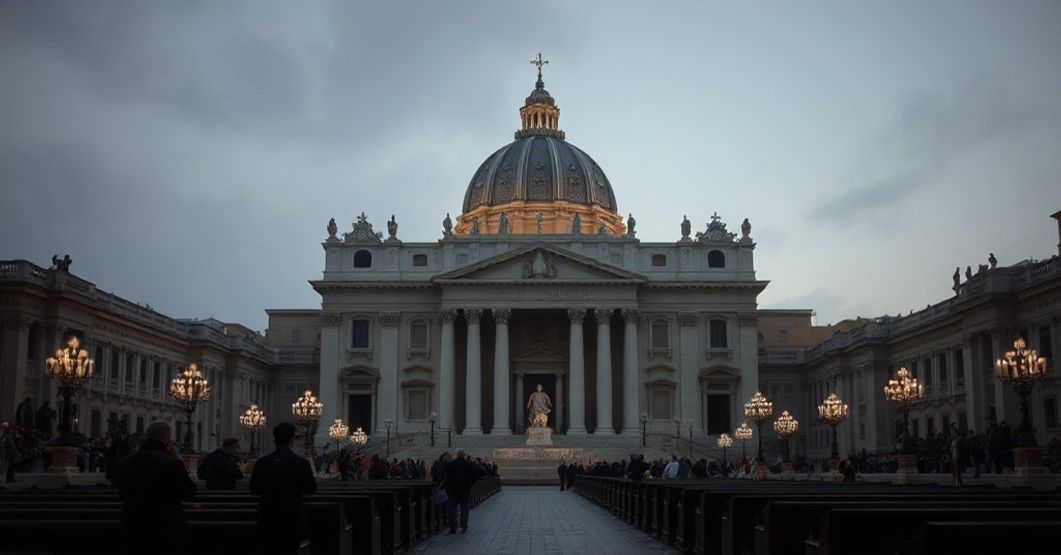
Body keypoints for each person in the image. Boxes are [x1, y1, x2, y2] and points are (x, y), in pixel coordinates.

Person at [114, 421, 197, 555]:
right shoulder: (173, 463)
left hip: (132, 525)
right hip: (166, 528)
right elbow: (189, 492)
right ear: (167, 439)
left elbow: (121, 492)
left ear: (147, 437)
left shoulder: (125, 462)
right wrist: (179, 460)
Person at [249, 423, 318, 555]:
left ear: (274, 440)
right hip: (292, 517)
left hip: (267, 516)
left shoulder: (262, 462)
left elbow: (253, 490)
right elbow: (311, 490)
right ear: (292, 440)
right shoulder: (301, 463)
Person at [443, 450, 480, 534]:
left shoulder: (450, 465)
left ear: (456, 455)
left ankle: (453, 526)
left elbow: (445, 476)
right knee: (464, 509)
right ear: (464, 455)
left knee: (452, 508)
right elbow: (476, 477)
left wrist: (448, 486)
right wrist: (471, 483)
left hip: (452, 490)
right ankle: (463, 525)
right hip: (465, 489)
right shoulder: (469, 465)